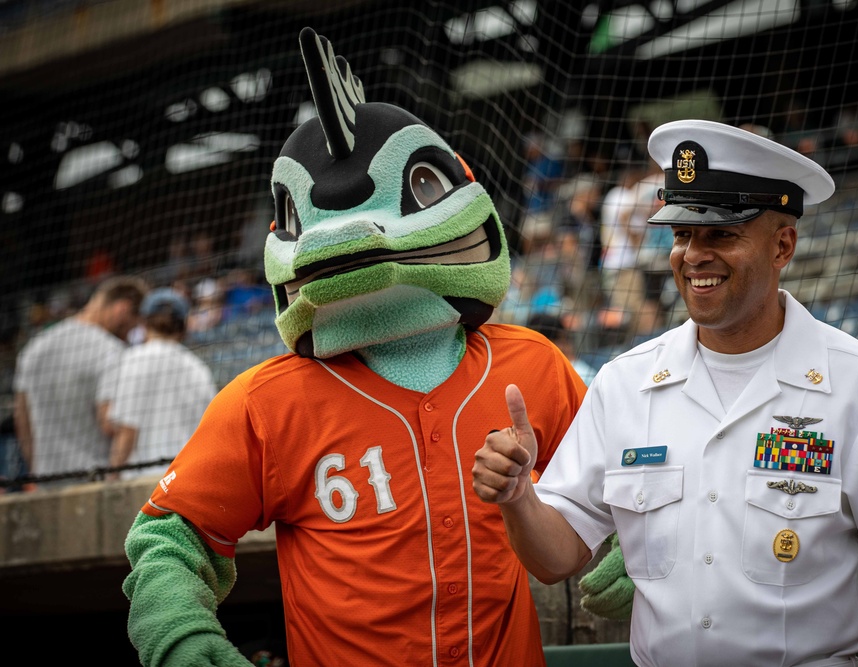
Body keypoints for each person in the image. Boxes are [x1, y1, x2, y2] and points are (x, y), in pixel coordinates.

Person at [121, 28, 586, 667]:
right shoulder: (268, 400)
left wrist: (620, 552)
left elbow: (617, 485)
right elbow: (172, 535)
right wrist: (179, 633)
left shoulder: (530, 363)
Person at [473, 120, 858, 667]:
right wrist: (520, 496)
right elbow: (556, 557)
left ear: (783, 245)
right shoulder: (625, 383)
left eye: (721, 234)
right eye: (683, 235)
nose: (693, 255)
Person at [13, 275, 147, 488]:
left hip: (46, 482)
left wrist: (36, 469)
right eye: (132, 326)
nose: (130, 334)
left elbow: (22, 418)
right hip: (92, 482)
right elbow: (113, 423)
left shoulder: (35, 347)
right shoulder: (111, 351)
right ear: (122, 309)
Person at [107, 288, 216, 481]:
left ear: (144, 322)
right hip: (185, 479)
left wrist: (112, 475)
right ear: (183, 326)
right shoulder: (199, 369)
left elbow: (127, 431)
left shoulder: (131, 360)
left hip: (141, 481)